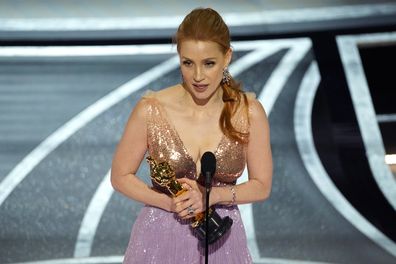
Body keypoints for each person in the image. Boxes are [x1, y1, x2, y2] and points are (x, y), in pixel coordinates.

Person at [111, 7, 272, 264]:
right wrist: (167, 203)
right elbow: (120, 177)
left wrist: (214, 196)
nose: (198, 76)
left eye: (209, 63)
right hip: (157, 238)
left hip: (222, 241)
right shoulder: (151, 110)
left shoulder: (249, 113)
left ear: (227, 57)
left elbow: (262, 186)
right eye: (188, 63)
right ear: (179, 58)